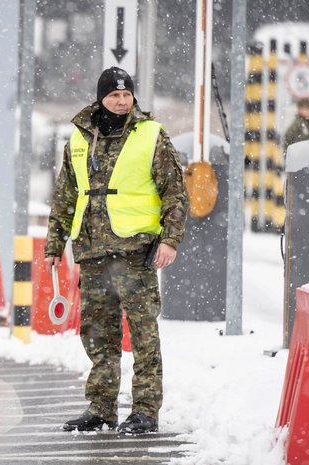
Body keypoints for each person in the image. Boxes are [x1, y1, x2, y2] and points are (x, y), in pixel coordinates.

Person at [44, 67, 189, 435]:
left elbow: (175, 192)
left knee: (143, 333)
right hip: (92, 251)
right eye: (114, 96)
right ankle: (101, 407)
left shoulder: (150, 135)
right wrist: (53, 245)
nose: (122, 101)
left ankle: (144, 409)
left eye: (127, 95)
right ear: (101, 99)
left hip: (134, 251)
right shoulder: (78, 139)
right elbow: (64, 197)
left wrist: (170, 239)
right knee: (97, 334)